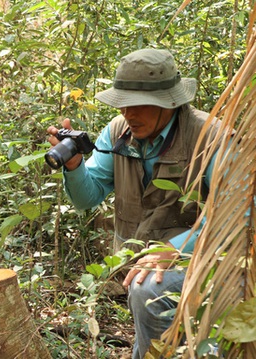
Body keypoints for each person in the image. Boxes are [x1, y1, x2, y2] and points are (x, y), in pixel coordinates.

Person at [46, 48, 219, 359]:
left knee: (148, 291)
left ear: (169, 102)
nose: (128, 113)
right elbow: (88, 196)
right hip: (141, 264)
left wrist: (178, 248)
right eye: (123, 103)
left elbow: (243, 208)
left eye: (139, 105)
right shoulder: (118, 132)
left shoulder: (208, 135)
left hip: (207, 262)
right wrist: (74, 166)